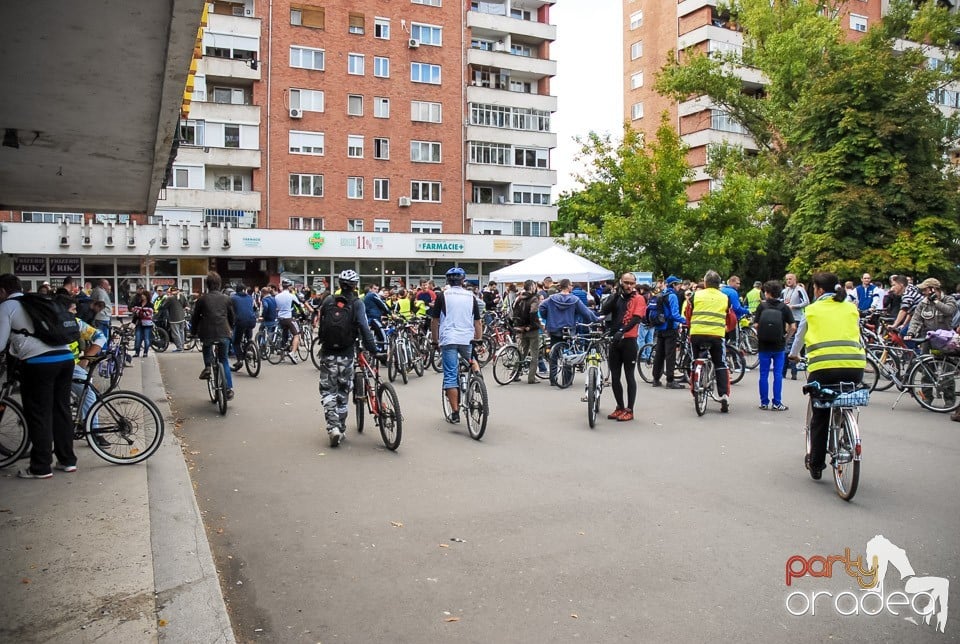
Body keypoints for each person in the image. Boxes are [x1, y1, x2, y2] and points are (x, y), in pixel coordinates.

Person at [788, 272, 865, 481]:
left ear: (819, 289)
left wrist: (794, 355)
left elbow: (799, 337)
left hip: (823, 368)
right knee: (846, 398)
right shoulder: (851, 308)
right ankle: (846, 435)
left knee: (820, 415)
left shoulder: (812, 310)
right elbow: (857, 336)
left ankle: (816, 463)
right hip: (855, 366)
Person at [0, 274, 76, 478]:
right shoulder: (36, 301)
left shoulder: (8, 306)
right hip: (66, 357)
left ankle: (40, 467)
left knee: (39, 414)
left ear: (2, 291)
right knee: (62, 409)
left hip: (38, 363)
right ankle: (67, 460)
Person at [316, 270, 379, 447]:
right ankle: (341, 428)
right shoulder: (357, 303)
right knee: (343, 392)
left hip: (328, 353)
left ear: (339, 283)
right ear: (355, 285)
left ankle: (333, 427)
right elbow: (364, 328)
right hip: (347, 354)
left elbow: (321, 326)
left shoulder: (328, 301)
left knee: (328, 391)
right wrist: (373, 350)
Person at [430, 267, 482, 424]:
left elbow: (435, 321)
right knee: (472, 358)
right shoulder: (471, 296)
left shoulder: (442, 296)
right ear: (463, 281)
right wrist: (478, 339)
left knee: (451, 375)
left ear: (448, 281)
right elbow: (477, 322)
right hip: (467, 338)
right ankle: (478, 379)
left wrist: (435, 340)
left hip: (449, 338)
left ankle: (455, 412)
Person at [600, 273, 646, 421]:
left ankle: (629, 409)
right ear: (621, 282)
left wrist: (622, 331)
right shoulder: (616, 297)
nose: (629, 286)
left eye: (632, 283)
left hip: (629, 341)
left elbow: (636, 318)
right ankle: (619, 406)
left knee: (629, 376)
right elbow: (604, 311)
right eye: (626, 283)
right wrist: (613, 296)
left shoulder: (639, 298)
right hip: (615, 340)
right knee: (615, 376)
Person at [538, 278, 600, 386]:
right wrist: (596, 319)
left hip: (554, 328)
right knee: (568, 353)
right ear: (568, 286)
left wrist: (548, 317)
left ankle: (553, 379)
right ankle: (566, 379)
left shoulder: (551, 299)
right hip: (568, 329)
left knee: (554, 354)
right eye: (571, 285)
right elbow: (586, 312)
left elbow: (542, 308)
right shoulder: (574, 300)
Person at [689, 271, 732, 412]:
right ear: (719, 284)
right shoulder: (725, 297)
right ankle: (724, 394)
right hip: (716, 335)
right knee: (720, 364)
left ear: (705, 283)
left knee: (695, 361)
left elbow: (688, 313)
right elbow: (730, 317)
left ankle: (695, 388)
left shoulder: (696, 295)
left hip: (697, 333)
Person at [191, 271, 236, 400]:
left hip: (207, 333)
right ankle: (228, 389)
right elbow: (232, 317)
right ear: (219, 284)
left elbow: (195, 318)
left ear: (208, 285)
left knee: (206, 347)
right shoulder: (226, 298)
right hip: (224, 332)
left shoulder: (202, 299)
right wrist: (231, 328)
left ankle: (208, 367)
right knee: (224, 360)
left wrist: (193, 332)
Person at [754, 281, 795, 411]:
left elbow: (756, 325)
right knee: (777, 374)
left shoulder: (762, 306)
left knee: (763, 374)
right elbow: (793, 327)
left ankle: (764, 402)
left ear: (767, 293)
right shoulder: (784, 307)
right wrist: (786, 338)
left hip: (764, 344)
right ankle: (777, 402)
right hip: (779, 345)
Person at [651, 276, 686, 389]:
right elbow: (675, 314)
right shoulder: (672, 296)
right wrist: (685, 321)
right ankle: (670, 380)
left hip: (660, 327)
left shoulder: (661, 294)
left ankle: (656, 379)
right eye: (678, 284)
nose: (679, 286)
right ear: (674, 285)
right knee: (670, 355)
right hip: (670, 328)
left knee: (659, 354)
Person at [904, 278, 958, 343]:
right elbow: (916, 319)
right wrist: (911, 333)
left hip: (945, 339)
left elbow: (949, 311)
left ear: (933, 289)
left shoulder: (949, 299)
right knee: (923, 353)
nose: (923, 292)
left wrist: (935, 301)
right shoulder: (923, 303)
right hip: (927, 338)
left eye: (925, 290)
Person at [512, 280, 542, 384]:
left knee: (522, 352)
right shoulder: (534, 299)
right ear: (532, 287)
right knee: (534, 353)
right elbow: (533, 313)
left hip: (520, 327)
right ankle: (531, 378)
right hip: (531, 329)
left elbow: (513, 310)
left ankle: (514, 374)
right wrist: (532, 325)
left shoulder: (519, 297)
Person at [781, 273, 810, 380]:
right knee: (786, 343)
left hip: (796, 319)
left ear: (795, 279)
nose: (788, 281)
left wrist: (793, 306)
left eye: (790, 279)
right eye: (787, 279)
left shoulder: (799, 290)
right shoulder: (785, 291)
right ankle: (784, 371)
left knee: (791, 345)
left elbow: (806, 302)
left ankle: (791, 371)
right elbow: (781, 301)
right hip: (786, 319)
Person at [230, 286, 258, 371]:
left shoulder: (233, 298)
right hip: (252, 321)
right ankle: (249, 347)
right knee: (248, 337)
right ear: (244, 290)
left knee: (235, 342)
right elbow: (255, 308)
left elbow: (230, 310)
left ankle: (240, 359)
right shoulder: (250, 297)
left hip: (240, 322)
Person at [275, 279, 302, 364]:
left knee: (284, 334)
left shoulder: (277, 296)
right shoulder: (291, 296)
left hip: (280, 318)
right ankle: (292, 353)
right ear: (290, 287)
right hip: (288, 317)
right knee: (296, 335)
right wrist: (303, 315)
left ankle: (282, 355)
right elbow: (298, 305)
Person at [161, 286, 188, 351]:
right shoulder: (182, 296)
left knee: (175, 333)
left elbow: (163, 306)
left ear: (171, 292)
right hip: (182, 317)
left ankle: (179, 347)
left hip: (174, 318)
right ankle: (182, 346)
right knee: (181, 332)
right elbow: (185, 305)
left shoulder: (170, 298)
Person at [130, 291, 154, 358]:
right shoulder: (139, 303)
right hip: (139, 323)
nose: (142, 296)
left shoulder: (150, 305)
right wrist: (133, 321)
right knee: (138, 338)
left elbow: (147, 314)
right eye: (142, 295)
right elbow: (135, 312)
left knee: (146, 339)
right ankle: (137, 352)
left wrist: (139, 311)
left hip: (147, 324)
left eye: (144, 295)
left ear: (147, 296)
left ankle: (145, 352)